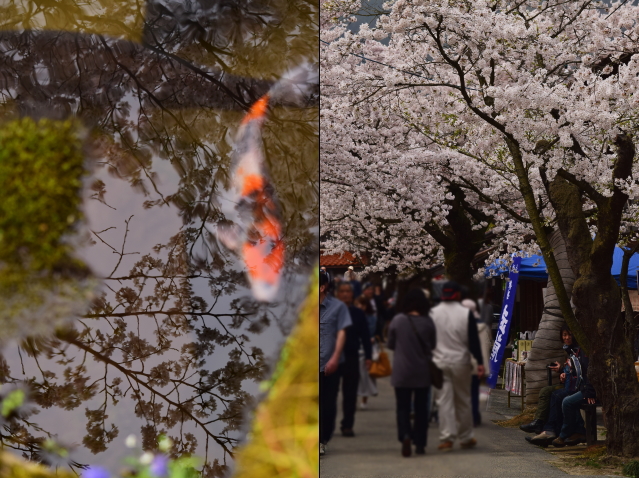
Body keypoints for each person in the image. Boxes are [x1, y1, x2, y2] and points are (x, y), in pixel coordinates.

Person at [430, 281, 485, 451]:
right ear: (458, 295)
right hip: (461, 361)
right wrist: (480, 361)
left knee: (443, 400)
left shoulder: (433, 313)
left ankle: (447, 437)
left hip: (439, 361)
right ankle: (466, 437)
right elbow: (473, 340)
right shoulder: (465, 313)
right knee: (463, 399)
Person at [387, 288, 437, 457]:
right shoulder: (428, 322)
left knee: (402, 407)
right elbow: (432, 345)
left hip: (402, 372)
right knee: (421, 409)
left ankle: (406, 436)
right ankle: (420, 443)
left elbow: (391, 344)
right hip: (422, 372)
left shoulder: (398, 320)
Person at [529, 326, 595, 447]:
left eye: (569, 335)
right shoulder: (569, 350)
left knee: (560, 398)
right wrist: (563, 371)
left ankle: (560, 433)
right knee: (547, 392)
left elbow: (588, 372)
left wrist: (589, 392)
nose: (567, 337)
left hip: (580, 388)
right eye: (564, 335)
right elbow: (574, 370)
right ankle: (545, 426)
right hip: (574, 385)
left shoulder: (580, 350)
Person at [319, 269, 352, 456]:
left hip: (329, 365)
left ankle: (323, 439)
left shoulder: (337, 307)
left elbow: (342, 333)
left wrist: (335, 357)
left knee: (328, 404)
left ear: (322, 287)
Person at [335, 282, 372, 437]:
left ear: (352, 294)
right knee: (330, 394)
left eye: (347, 291)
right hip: (333, 357)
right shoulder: (331, 311)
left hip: (351, 356)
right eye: (342, 291)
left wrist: (368, 357)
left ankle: (347, 425)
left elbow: (365, 335)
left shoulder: (357, 313)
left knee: (350, 394)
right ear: (337, 294)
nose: (345, 294)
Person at [462, 298, 490, 427]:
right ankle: (474, 416)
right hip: (479, 365)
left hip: (464, 362)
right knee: (474, 391)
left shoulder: (461, 325)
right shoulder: (484, 327)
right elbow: (488, 345)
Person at [354, 295, 378, 409]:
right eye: (358, 304)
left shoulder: (371, 318)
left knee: (366, 376)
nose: (360, 307)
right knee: (354, 376)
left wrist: (372, 338)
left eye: (362, 304)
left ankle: (364, 400)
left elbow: (373, 332)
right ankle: (354, 398)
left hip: (367, 348)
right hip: (355, 347)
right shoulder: (351, 316)